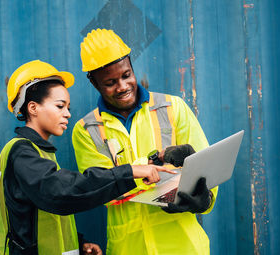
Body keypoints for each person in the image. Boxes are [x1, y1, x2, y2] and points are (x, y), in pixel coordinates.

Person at [0, 60, 172, 255]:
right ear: (33, 108)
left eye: (68, 108)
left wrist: (79, 244)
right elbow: (62, 193)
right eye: (60, 106)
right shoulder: (23, 153)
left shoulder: (38, 152)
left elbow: (39, 217)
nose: (67, 114)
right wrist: (129, 172)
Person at [72, 29, 218, 254]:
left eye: (126, 75)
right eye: (110, 82)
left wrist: (206, 199)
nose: (122, 87)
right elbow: (101, 189)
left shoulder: (173, 107)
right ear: (94, 82)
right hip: (129, 247)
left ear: (132, 67)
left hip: (183, 246)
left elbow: (206, 166)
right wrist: (146, 169)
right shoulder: (86, 130)